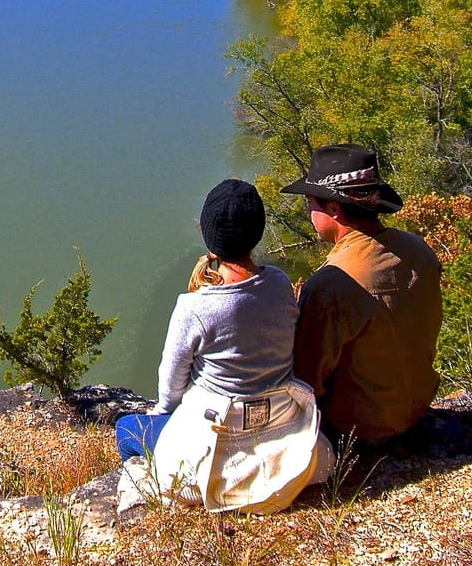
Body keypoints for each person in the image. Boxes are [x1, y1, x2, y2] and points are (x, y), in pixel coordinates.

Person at [115, 179, 334, 516]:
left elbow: (172, 381)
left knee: (127, 428)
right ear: (258, 231)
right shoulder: (277, 283)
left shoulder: (195, 307)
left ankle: (142, 487)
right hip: (280, 433)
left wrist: (164, 412)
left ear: (207, 235)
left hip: (210, 454)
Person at [281, 144, 443, 446]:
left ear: (333, 209)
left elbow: (306, 382)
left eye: (310, 203)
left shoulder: (331, 284)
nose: (307, 211)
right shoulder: (418, 250)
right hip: (416, 409)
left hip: (360, 429)